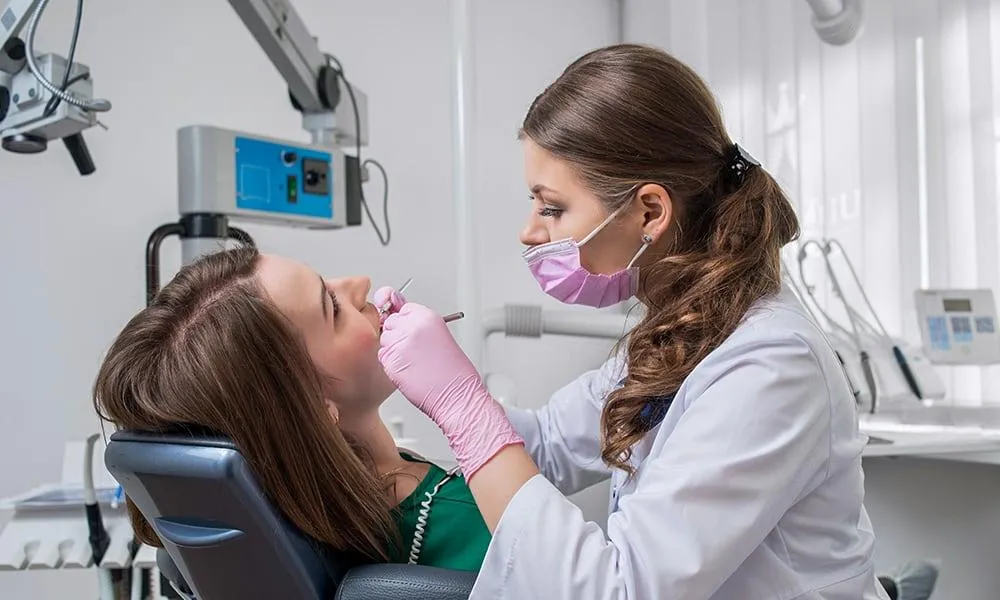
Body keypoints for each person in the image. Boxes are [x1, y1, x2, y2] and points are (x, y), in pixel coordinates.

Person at [375, 44, 891, 598]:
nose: (529, 231)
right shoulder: (681, 330)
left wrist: (461, 404)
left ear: (649, 211)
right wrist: (432, 387)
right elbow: (547, 446)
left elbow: (620, 589)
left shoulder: (768, 363)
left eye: (551, 207)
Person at [92, 245, 490, 571]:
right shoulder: (470, 521)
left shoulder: (263, 549)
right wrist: (468, 410)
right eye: (332, 308)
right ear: (316, 409)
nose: (360, 284)